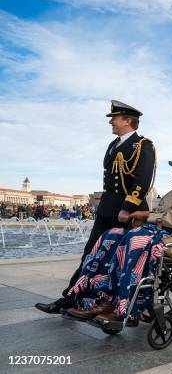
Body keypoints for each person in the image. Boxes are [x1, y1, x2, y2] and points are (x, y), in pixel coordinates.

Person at [64, 155, 172, 324]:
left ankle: (127, 308)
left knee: (135, 239)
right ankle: (101, 300)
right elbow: (158, 216)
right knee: (112, 235)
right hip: (161, 233)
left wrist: (149, 217)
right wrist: (143, 219)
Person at [36, 100, 156, 314]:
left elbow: (143, 179)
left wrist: (128, 207)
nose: (111, 123)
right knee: (90, 253)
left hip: (129, 211)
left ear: (128, 121)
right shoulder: (114, 145)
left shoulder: (143, 145)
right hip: (107, 208)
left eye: (115, 119)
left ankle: (122, 305)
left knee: (124, 260)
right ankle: (71, 297)